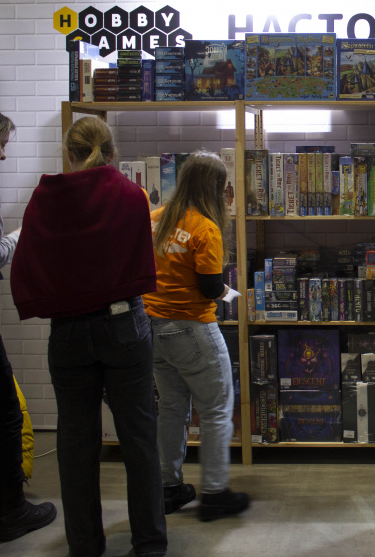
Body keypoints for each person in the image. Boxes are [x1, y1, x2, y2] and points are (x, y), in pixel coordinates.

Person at [10, 115, 167, 556]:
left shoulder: (45, 199)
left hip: (69, 331)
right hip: (123, 324)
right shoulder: (131, 194)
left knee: (75, 442)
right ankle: (150, 544)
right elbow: (142, 258)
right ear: (112, 153)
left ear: (69, 154)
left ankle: (84, 545)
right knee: (139, 437)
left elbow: (29, 261)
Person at [142, 151, 249, 522]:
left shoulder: (154, 219)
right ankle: (215, 493)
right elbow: (209, 288)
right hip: (191, 327)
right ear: (215, 188)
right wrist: (229, 293)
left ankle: (169, 488)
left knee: (172, 408)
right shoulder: (206, 228)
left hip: (153, 327)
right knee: (217, 408)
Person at [0, 103, 57, 544]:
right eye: (1, 144)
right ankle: (13, 511)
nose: (3, 155)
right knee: (4, 414)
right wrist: (20, 236)